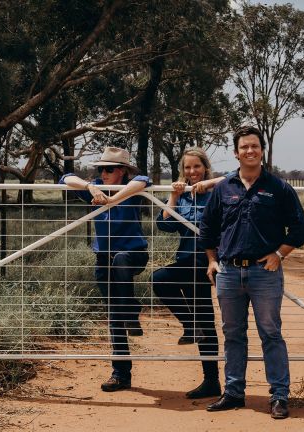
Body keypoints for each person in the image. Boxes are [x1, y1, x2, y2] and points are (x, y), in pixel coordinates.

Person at [198, 126, 304, 419]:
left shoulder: (278, 188)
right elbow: (207, 229)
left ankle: (279, 396)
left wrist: (279, 254)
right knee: (233, 334)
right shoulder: (223, 188)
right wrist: (212, 260)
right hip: (229, 273)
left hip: (264, 273)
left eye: (255, 147)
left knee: (271, 333)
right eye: (244, 147)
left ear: (262, 151)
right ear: (236, 153)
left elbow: (300, 228)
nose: (250, 151)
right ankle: (233, 392)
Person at [60, 147, 151, 392]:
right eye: (101, 169)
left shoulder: (133, 188)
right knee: (115, 314)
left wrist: (113, 198)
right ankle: (121, 373)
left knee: (121, 260)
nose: (104, 173)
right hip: (103, 257)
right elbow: (65, 178)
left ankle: (131, 307)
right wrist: (91, 187)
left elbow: (145, 179)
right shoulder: (95, 188)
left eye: (109, 169)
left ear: (122, 171)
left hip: (133, 254)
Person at [152, 148, 224, 399]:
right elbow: (164, 225)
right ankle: (211, 378)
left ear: (205, 167)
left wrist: (209, 183)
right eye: (188, 168)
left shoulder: (217, 192)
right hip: (186, 259)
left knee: (160, 280)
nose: (192, 172)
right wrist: (173, 195)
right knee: (203, 317)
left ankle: (211, 377)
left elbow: (237, 177)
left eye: (197, 167)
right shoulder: (181, 196)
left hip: (208, 260)